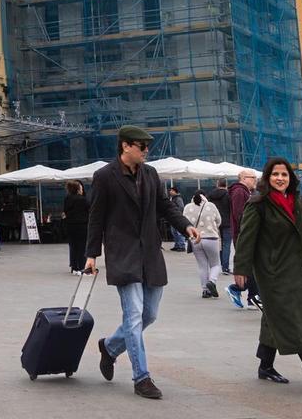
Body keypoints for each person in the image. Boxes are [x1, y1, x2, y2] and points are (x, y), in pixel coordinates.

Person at [85, 125, 199, 401]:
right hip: (123, 254)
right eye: (142, 146)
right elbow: (96, 216)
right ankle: (141, 377)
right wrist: (91, 254)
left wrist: (185, 226)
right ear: (126, 146)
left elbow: (165, 207)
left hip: (150, 254)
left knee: (149, 315)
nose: (147, 151)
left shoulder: (151, 174)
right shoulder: (104, 177)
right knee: (134, 316)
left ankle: (110, 347)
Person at [234, 157, 302, 393]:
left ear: (290, 178)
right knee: (293, 319)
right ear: (267, 178)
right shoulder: (258, 204)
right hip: (273, 273)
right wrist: (241, 268)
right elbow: (246, 238)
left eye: (284, 175)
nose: (280, 179)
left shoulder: (298, 203)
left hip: (299, 270)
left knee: (276, 317)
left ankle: (266, 365)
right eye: (275, 175)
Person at [226, 170, 261, 309]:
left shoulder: (244, 191)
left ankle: (249, 294)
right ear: (243, 178)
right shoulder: (240, 192)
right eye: (253, 178)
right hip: (243, 235)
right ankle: (247, 294)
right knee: (252, 266)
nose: (255, 180)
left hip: (244, 234)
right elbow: (240, 214)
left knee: (253, 266)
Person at [183, 192, 222, 298]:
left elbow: (183, 221)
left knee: (202, 266)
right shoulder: (211, 206)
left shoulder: (187, 207)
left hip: (195, 239)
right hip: (211, 238)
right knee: (215, 264)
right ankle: (212, 281)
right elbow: (219, 221)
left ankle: (205, 290)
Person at [206, 179, 233, 274]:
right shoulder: (229, 195)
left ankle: (216, 265)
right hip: (227, 223)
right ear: (226, 185)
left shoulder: (210, 195)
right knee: (226, 244)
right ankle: (225, 267)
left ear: (217, 185)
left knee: (217, 244)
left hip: (215, 223)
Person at [62, 180, 89, 275]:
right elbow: (89, 210)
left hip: (70, 226)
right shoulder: (83, 199)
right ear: (77, 189)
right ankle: (82, 267)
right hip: (82, 226)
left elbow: (65, 211)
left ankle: (74, 267)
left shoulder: (67, 199)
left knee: (73, 246)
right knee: (82, 247)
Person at [167, 186, 187, 251]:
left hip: (177, 217)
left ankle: (182, 246)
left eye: (172, 190)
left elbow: (181, 207)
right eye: (170, 190)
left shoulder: (178, 198)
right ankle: (177, 245)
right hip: (172, 217)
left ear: (175, 191)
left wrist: (176, 213)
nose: (170, 192)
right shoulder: (172, 198)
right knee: (174, 232)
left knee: (178, 232)